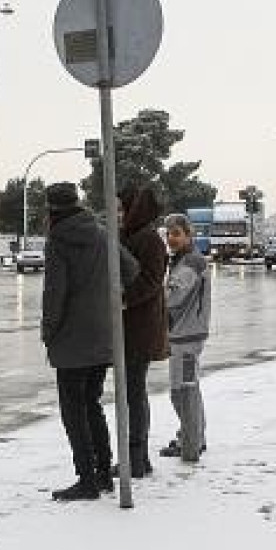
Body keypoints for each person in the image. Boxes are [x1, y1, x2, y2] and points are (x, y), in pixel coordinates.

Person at [40, 182, 138, 501]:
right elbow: (131, 269)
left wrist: (48, 331)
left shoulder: (58, 241)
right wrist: (110, 296)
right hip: (102, 335)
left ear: (51, 210)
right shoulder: (100, 233)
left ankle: (87, 480)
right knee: (93, 405)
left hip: (70, 340)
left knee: (74, 412)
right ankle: (103, 473)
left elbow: (55, 293)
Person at [117, 184, 169, 478]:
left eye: (123, 209)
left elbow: (151, 280)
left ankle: (136, 459)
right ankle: (137, 458)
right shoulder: (132, 235)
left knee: (134, 394)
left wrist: (123, 298)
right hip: (132, 327)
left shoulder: (148, 239)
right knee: (131, 393)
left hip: (141, 328)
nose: (119, 214)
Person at [159, 213, 211, 458]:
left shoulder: (191, 262)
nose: (171, 238)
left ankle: (191, 440)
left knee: (182, 391)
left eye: (177, 234)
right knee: (188, 389)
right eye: (169, 234)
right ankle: (192, 436)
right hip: (185, 334)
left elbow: (173, 296)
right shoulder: (183, 259)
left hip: (187, 336)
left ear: (189, 235)